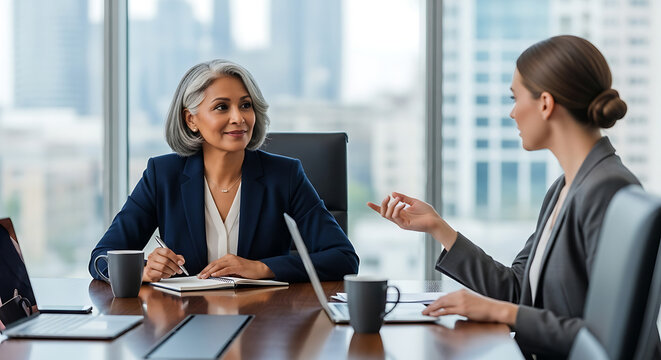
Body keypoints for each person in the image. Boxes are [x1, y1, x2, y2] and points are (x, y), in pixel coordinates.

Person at [368, 35, 640, 358]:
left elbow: (605, 338)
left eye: (515, 98)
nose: (512, 113)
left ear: (545, 104)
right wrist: (439, 228)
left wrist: (501, 313)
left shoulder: (607, 189)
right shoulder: (563, 189)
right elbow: (516, 290)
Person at [89, 59, 358, 283]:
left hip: (265, 324)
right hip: (186, 325)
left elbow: (344, 257)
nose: (238, 118)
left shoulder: (285, 175)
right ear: (191, 119)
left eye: (245, 105)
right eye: (221, 107)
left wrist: (263, 268)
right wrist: (143, 270)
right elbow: (100, 258)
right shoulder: (162, 174)